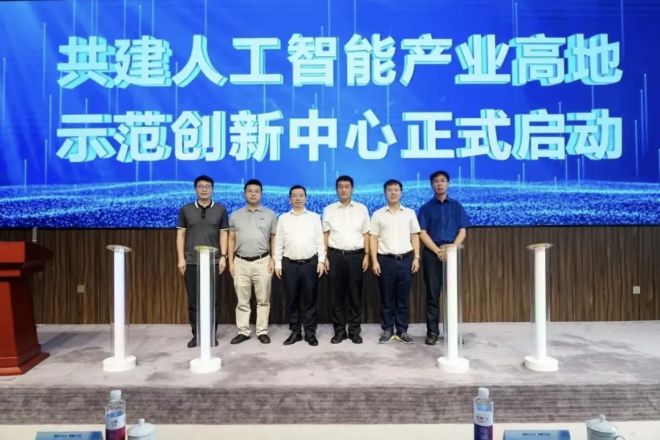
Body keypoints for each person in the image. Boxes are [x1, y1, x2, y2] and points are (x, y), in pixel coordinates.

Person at [417, 170, 469, 345]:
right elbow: (422, 232)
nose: (439, 184)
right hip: (432, 254)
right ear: (431, 184)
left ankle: (452, 332)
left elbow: (462, 231)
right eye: (436, 181)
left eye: (443, 180)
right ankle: (432, 332)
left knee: (452, 294)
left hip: (452, 253)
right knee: (432, 294)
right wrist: (437, 251)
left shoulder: (457, 206)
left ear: (448, 183)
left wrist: (451, 249)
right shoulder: (425, 208)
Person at [176, 175, 229, 348]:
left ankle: (211, 335)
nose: (204, 189)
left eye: (207, 186)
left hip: (213, 262)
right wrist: (181, 258)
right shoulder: (186, 209)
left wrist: (224, 256)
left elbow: (224, 234)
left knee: (213, 301)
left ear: (212, 189)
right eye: (200, 186)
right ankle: (197, 335)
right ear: (195, 189)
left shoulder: (220, 210)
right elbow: (180, 235)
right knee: (194, 302)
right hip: (192, 262)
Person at [369, 179, 420, 344]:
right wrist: (374, 261)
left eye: (396, 190)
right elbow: (373, 238)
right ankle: (388, 329)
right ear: (385, 193)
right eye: (390, 190)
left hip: (406, 260)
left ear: (401, 192)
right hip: (385, 260)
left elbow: (415, 236)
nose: (393, 192)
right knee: (387, 297)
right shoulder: (378, 214)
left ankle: (402, 330)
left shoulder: (409, 213)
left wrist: (416, 257)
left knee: (403, 298)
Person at [274, 185, 325, 346]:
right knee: (292, 300)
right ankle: (295, 332)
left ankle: (310, 333)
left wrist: (321, 260)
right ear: (290, 199)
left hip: (310, 264)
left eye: (301, 195)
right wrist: (277, 263)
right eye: (294, 196)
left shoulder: (314, 217)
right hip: (289, 264)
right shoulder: (283, 218)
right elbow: (278, 242)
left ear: (306, 198)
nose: (298, 198)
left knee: (310, 300)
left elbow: (319, 240)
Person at [227, 179, 277, 345]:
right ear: (244, 193)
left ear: (261, 194)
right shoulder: (235, 215)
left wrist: (273, 259)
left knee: (263, 300)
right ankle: (243, 331)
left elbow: (274, 238)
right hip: (240, 262)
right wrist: (230, 262)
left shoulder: (270, 214)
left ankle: (262, 331)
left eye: (256, 191)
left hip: (263, 261)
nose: (253, 194)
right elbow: (231, 238)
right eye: (250, 191)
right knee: (242, 300)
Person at [322, 175, 370, 344]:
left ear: (352, 189)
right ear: (336, 190)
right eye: (340, 186)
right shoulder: (329, 209)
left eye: (347, 186)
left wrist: (367, 255)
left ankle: (355, 331)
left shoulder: (362, 209)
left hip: (356, 257)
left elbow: (366, 234)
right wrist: (324, 257)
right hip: (334, 256)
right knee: (336, 296)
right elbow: (325, 234)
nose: (343, 189)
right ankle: (339, 331)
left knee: (355, 296)